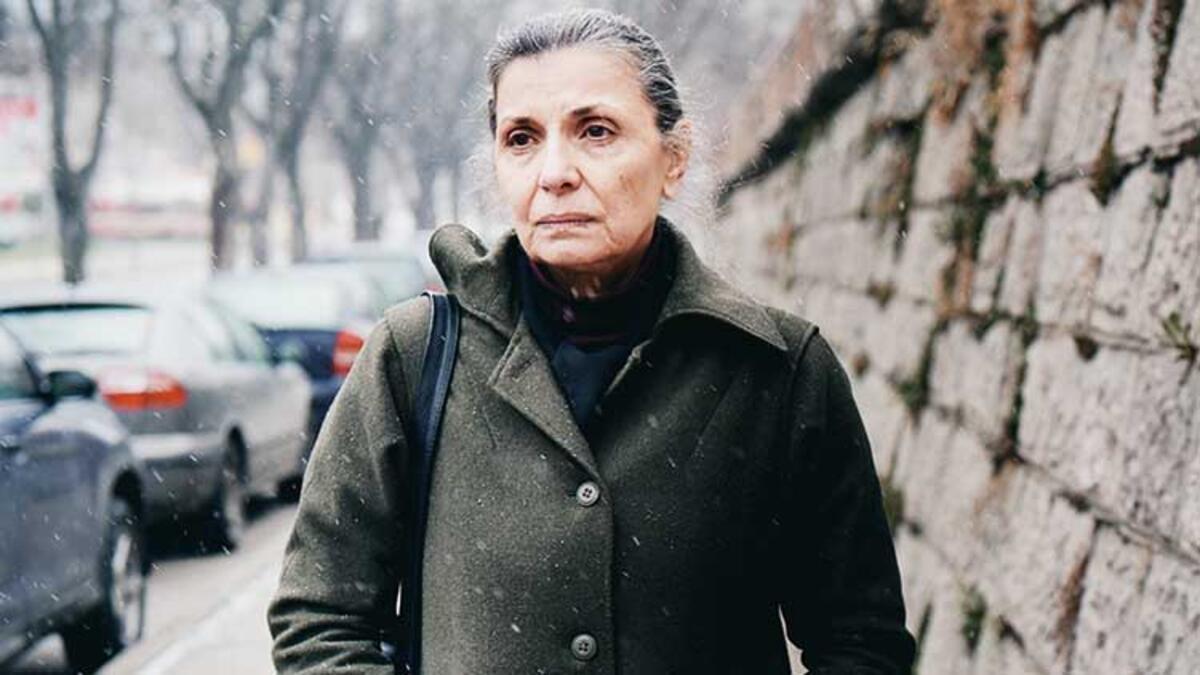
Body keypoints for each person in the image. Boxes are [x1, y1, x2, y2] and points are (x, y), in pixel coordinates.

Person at [268, 8, 916, 674]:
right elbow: (320, 619)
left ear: (674, 158)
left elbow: (860, 641)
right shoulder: (413, 358)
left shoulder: (778, 369)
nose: (554, 172)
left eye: (596, 131)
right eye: (522, 138)